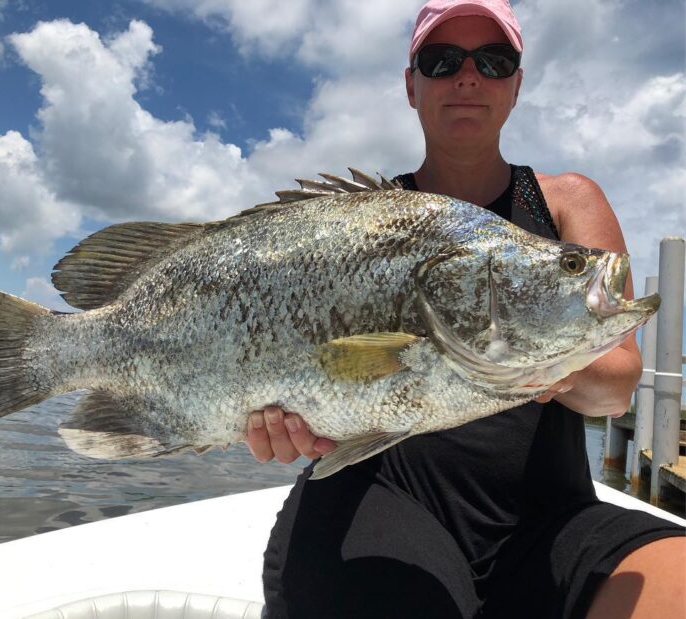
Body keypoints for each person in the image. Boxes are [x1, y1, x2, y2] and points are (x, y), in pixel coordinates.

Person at [246, 1, 686, 617]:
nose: (469, 76)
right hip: (378, 496)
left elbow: (615, 390)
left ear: (516, 85)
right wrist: (281, 416)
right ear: (411, 84)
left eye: (495, 60)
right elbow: (324, 365)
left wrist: (540, 361)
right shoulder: (359, 225)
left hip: (551, 518)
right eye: (442, 60)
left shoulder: (566, 202)